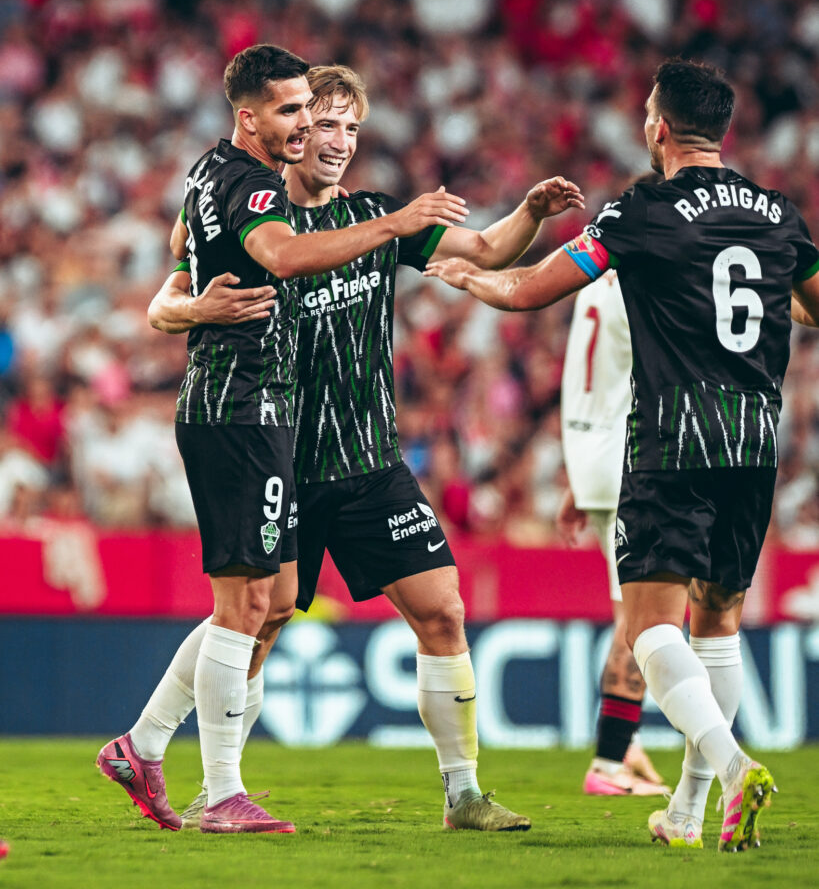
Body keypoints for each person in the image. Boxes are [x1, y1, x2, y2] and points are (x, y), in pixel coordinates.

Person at [150, 63, 583, 832]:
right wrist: (191, 309)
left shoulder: (378, 214)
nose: (339, 140)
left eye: (352, 127)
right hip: (282, 455)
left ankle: (463, 794)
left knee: (441, 610)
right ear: (291, 131)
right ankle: (209, 780)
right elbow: (169, 297)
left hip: (367, 460)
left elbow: (486, 249)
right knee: (255, 618)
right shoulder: (246, 217)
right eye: (324, 123)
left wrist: (528, 213)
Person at [426, 59, 819, 852]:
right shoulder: (778, 214)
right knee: (718, 624)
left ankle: (734, 767)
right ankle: (686, 811)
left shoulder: (642, 210)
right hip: (753, 443)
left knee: (648, 627)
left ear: (659, 128)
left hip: (673, 439)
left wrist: (470, 278)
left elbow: (531, 289)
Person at [97, 45, 468, 835]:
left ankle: (145, 744)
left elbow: (182, 256)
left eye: (315, 112)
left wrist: (189, 306)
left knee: (258, 603)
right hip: (242, 405)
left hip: (258, 412)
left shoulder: (208, 172)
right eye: (292, 111)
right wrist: (393, 222)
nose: (305, 125)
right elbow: (281, 256)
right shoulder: (253, 185)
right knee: (246, 605)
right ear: (249, 116)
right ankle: (219, 793)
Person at [557, 264, 667, 797]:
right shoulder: (646, 283)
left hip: (593, 459)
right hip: (629, 462)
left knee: (633, 613)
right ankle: (608, 761)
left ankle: (627, 743)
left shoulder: (593, 285)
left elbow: (593, 383)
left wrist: (578, 481)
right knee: (640, 620)